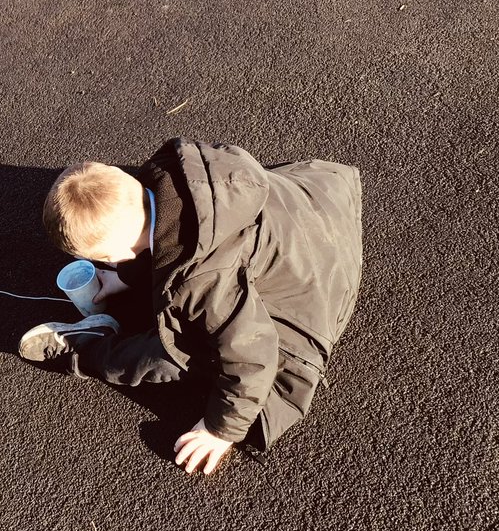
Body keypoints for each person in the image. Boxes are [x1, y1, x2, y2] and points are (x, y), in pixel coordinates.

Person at [20, 138, 363, 473]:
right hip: (315, 217)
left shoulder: (204, 280)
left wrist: (220, 430)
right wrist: (128, 274)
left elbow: (252, 355)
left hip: (303, 313)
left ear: (114, 255)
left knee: (172, 351)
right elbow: (153, 231)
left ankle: (86, 350)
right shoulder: (177, 172)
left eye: (107, 262)